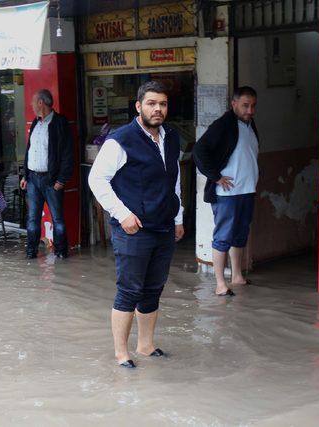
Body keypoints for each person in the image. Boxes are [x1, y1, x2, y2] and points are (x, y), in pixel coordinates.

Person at [88, 81, 185, 368]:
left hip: (164, 226)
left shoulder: (171, 137)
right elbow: (96, 179)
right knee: (129, 290)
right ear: (138, 106)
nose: (158, 109)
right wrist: (122, 214)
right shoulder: (121, 140)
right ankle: (121, 353)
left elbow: (174, 180)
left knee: (154, 288)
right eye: (152, 103)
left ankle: (145, 345)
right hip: (134, 229)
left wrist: (178, 218)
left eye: (163, 104)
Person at [193, 86, 259, 296]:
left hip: (247, 190)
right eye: (245, 105)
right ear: (234, 104)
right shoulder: (224, 124)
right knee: (223, 236)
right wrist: (215, 176)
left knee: (240, 234)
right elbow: (199, 150)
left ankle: (237, 276)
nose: (250, 110)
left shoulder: (249, 124)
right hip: (227, 194)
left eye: (253, 106)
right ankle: (221, 284)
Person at [20, 89, 73, 259]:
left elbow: (67, 154)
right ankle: (31, 253)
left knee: (58, 220)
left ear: (41, 103)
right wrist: (25, 175)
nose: (32, 105)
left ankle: (61, 253)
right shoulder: (36, 123)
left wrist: (61, 180)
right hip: (33, 179)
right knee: (32, 219)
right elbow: (30, 151)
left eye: (33, 102)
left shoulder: (60, 123)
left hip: (52, 180)